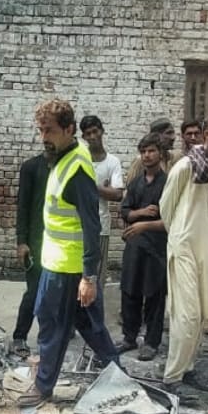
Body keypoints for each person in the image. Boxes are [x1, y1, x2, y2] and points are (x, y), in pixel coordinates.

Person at [19, 100, 121, 408]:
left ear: (68, 129)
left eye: (49, 130)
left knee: (51, 326)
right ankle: (119, 374)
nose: (43, 137)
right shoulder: (62, 158)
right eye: (40, 130)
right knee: (91, 327)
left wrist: (89, 276)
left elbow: (91, 226)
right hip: (61, 263)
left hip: (67, 269)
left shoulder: (76, 167)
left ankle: (43, 386)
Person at [160, 115, 208, 393]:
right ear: (207, 134)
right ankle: (171, 378)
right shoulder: (185, 166)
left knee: (203, 315)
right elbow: (166, 206)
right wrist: (180, 237)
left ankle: (188, 369)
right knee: (186, 315)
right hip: (184, 246)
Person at [118, 134, 169, 361]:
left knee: (155, 295)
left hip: (157, 246)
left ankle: (151, 342)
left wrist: (142, 222)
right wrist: (140, 213)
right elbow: (125, 211)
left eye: (151, 151)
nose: (147, 156)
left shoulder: (168, 183)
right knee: (130, 291)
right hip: (134, 246)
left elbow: (170, 218)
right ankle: (129, 337)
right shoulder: (136, 183)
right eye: (143, 151)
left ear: (160, 153)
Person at [13, 151, 49, 357]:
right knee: (34, 292)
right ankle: (19, 336)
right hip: (36, 242)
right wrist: (22, 241)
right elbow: (23, 206)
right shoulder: (31, 167)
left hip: (64, 244)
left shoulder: (69, 167)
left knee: (64, 295)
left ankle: (62, 333)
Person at [79, 115, 123, 286]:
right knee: (79, 276)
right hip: (78, 225)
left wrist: (91, 187)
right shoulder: (80, 159)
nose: (92, 137)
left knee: (97, 277)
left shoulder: (112, 162)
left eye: (95, 131)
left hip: (101, 226)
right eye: (87, 133)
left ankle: (95, 311)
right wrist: (104, 189)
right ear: (83, 137)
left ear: (102, 131)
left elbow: (118, 195)